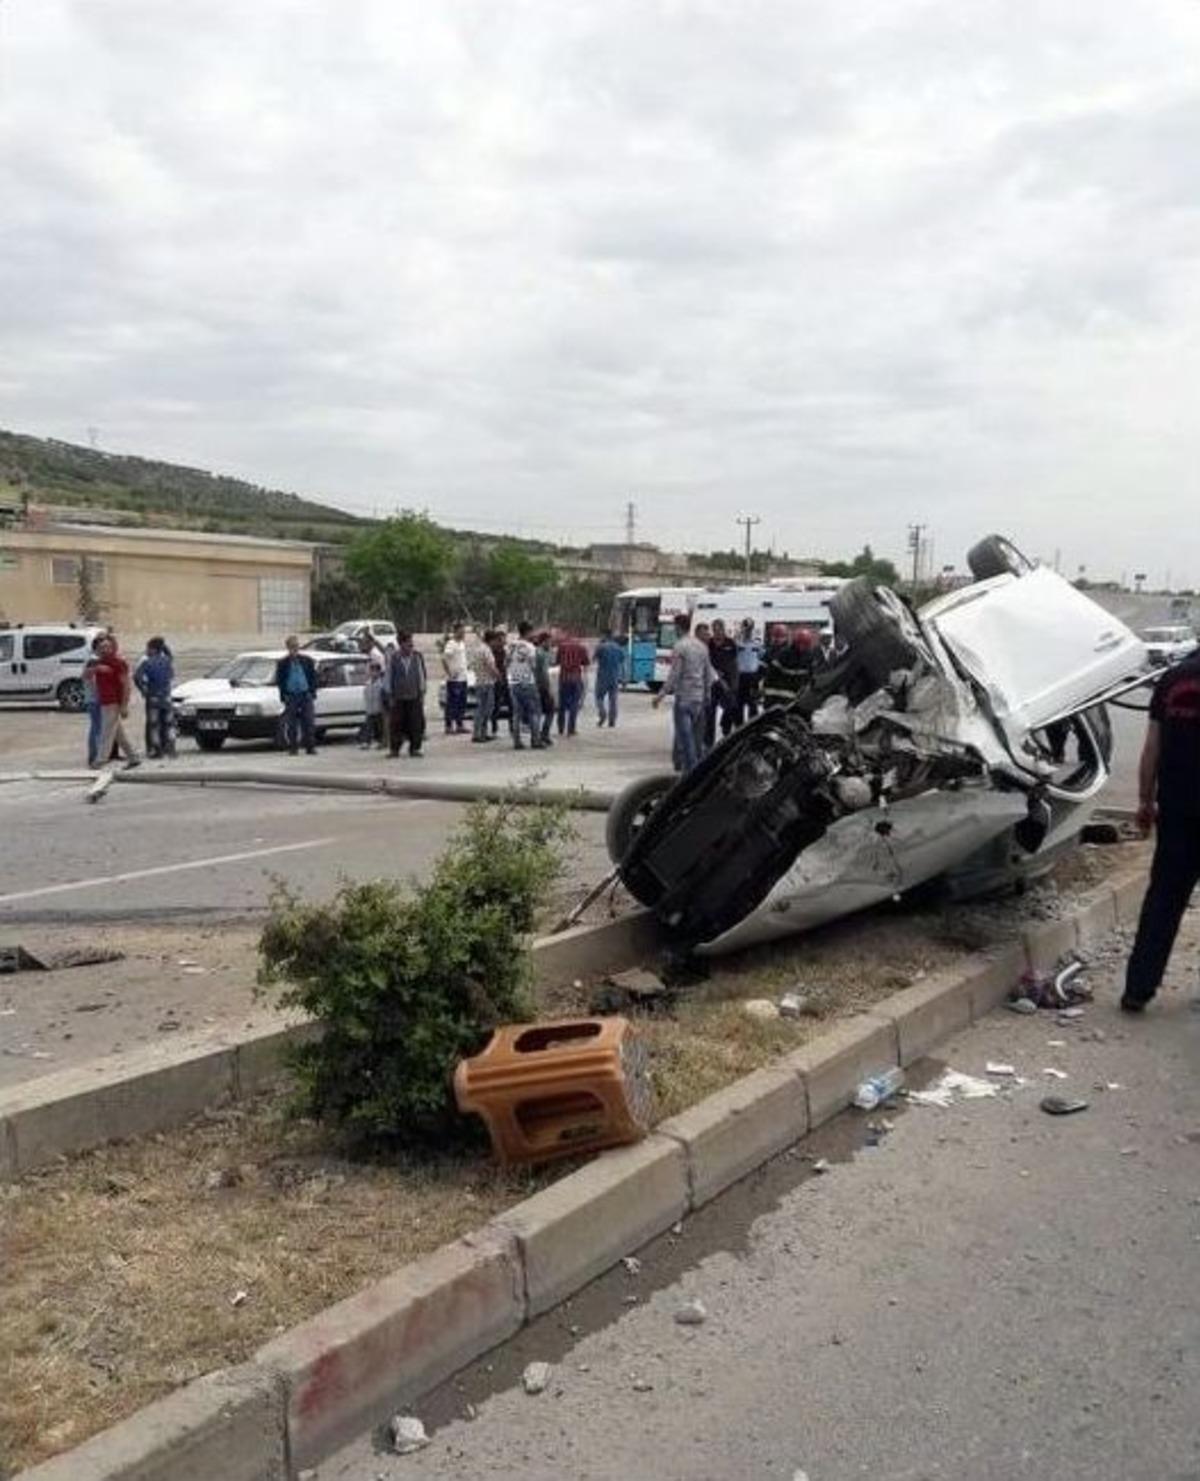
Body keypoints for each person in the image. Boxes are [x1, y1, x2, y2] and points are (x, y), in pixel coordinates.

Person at [1121, 647, 1200, 1013]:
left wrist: (1144, 799)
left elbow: (1152, 745)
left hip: (1178, 811)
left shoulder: (1173, 679)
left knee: (1163, 901)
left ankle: (1138, 988)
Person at [653, 612, 712, 774]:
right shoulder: (702, 646)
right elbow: (708, 674)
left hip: (684, 698)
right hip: (698, 699)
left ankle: (690, 772)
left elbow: (675, 674)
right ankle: (694, 768)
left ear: (678, 627)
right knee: (695, 738)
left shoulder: (680, 646)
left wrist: (661, 694)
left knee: (685, 740)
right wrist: (707, 696)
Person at [90, 634, 140, 769]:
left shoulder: (118, 663)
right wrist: (94, 668)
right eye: (101, 647)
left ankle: (100, 761)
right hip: (104, 701)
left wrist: (124, 706)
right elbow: (85, 677)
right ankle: (133, 757)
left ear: (112, 647)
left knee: (106, 732)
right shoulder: (98, 662)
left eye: (107, 647)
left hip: (113, 702)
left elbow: (126, 685)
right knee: (118, 733)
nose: (104, 649)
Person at [273, 636, 318, 755]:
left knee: (309, 721)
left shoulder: (307, 661)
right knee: (292, 723)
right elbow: (280, 681)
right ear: (288, 648)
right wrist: (284, 695)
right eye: (292, 647)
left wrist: (312, 693)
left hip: (305, 694)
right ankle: (293, 748)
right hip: (291, 695)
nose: (294, 649)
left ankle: (310, 747)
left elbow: (313, 678)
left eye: (296, 646)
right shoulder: (283, 663)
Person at [385, 630, 427, 757]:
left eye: (411, 644)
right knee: (396, 724)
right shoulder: (394, 658)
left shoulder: (416, 657)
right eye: (408, 644)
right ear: (401, 644)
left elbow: (420, 676)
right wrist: (390, 694)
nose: (411, 646)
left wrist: (422, 692)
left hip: (414, 696)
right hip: (398, 696)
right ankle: (394, 749)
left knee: (415, 723)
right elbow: (389, 677)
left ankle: (414, 748)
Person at [133, 636, 176, 759]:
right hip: (167, 697)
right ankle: (171, 748)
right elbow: (171, 668)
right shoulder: (167, 661)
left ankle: (156, 750)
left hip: (153, 697)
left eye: (148, 648)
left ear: (153, 649)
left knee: (154, 725)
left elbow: (137, 677)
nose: (146, 650)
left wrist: (143, 690)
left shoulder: (147, 662)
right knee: (169, 724)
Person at [762, 625, 820, 707]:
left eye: (804, 645)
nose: (801, 648)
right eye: (799, 644)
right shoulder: (784, 654)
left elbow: (810, 676)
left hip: (792, 695)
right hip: (774, 693)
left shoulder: (809, 657)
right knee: (771, 716)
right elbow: (772, 672)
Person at [507, 621, 543, 750]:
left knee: (517, 713)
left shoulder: (511, 645)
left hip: (513, 681)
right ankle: (535, 740)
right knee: (534, 711)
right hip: (527, 682)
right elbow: (533, 666)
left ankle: (517, 741)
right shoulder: (530, 647)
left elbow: (506, 662)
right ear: (528, 632)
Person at [707, 618, 740, 742]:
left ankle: (726, 731)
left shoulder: (730, 643)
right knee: (710, 712)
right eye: (715, 630)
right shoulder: (708, 643)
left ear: (723, 629)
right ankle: (708, 742)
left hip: (728, 682)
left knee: (731, 708)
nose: (717, 632)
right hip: (712, 682)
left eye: (719, 629)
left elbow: (735, 664)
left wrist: (734, 684)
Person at [555, 631, 590, 738]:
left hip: (564, 677)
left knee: (562, 704)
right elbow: (586, 663)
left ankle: (560, 728)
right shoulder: (581, 648)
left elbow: (557, 662)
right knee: (574, 704)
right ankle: (571, 729)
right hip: (575, 677)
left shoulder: (561, 647)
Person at [357, 632, 387, 749]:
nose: (362, 645)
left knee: (377, 719)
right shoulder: (369, 654)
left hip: (377, 688)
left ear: (370, 642)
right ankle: (368, 740)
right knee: (370, 718)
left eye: (364, 642)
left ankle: (378, 740)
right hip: (370, 688)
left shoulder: (376, 655)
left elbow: (381, 670)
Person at [470, 630, 499, 743]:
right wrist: (498, 676)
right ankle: (480, 734)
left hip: (479, 681)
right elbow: (491, 666)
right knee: (486, 709)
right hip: (487, 683)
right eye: (495, 640)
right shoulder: (486, 651)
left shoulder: (478, 649)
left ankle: (480, 732)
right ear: (491, 640)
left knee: (480, 709)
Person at [441, 623, 469, 735]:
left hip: (463, 677)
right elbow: (444, 659)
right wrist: (449, 673)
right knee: (452, 703)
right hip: (454, 680)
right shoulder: (451, 644)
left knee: (462, 703)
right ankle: (448, 726)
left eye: (464, 631)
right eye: (461, 631)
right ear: (456, 631)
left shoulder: (462, 643)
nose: (463, 633)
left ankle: (459, 724)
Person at [735, 618, 763, 725]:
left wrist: (759, 676)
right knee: (739, 705)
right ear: (742, 628)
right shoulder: (737, 643)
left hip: (752, 677)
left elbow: (762, 658)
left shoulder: (757, 644)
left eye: (750, 628)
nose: (747, 631)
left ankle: (752, 729)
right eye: (746, 628)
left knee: (753, 705)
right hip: (740, 677)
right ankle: (738, 728)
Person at [594, 630, 624, 728]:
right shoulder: (618, 648)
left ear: (605, 636)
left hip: (602, 676)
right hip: (614, 677)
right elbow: (622, 664)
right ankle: (612, 721)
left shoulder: (601, 647)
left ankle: (602, 713)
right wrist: (623, 678)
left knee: (599, 697)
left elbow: (593, 659)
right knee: (613, 700)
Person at [534, 631, 557, 746]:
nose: (550, 644)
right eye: (549, 641)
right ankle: (544, 734)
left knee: (537, 712)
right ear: (544, 641)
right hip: (542, 686)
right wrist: (549, 689)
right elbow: (544, 673)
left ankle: (537, 735)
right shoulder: (542, 654)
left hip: (534, 685)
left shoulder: (535, 651)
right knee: (550, 711)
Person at [488, 628, 511, 736]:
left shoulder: (504, 650)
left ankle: (512, 727)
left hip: (504, 678)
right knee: (496, 705)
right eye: (502, 639)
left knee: (511, 704)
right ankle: (494, 729)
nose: (504, 641)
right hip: (497, 680)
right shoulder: (493, 651)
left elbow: (506, 664)